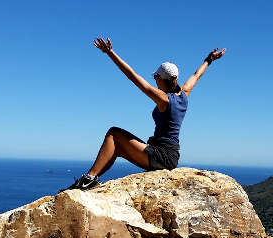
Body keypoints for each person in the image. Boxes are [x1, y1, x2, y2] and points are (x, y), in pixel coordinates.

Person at [62, 37, 226, 191]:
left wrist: (110, 53)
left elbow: (132, 76)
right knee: (116, 148)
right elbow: (197, 75)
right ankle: (91, 180)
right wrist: (209, 59)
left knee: (114, 133)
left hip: (162, 156)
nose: (155, 80)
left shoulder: (164, 99)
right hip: (170, 154)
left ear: (162, 80)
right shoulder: (184, 93)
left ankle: (88, 179)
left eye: (156, 77)